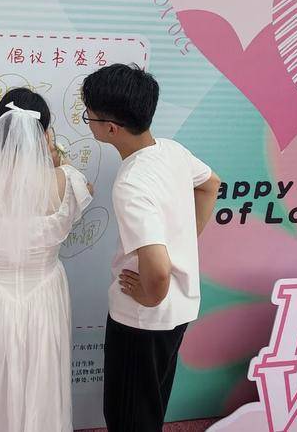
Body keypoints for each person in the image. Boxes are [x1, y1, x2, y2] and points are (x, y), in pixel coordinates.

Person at [82, 63, 221, 432]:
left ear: (110, 128)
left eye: (88, 115)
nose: (88, 122)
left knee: (128, 416)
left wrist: (149, 295)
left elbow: (157, 272)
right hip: (179, 308)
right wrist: (183, 240)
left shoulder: (131, 182)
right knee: (150, 403)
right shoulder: (172, 151)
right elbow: (211, 184)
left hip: (142, 320)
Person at [0, 87, 93, 432]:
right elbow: (82, 201)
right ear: (45, 134)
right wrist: (55, 160)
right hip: (43, 292)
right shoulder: (68, 181)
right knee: (41, 374)